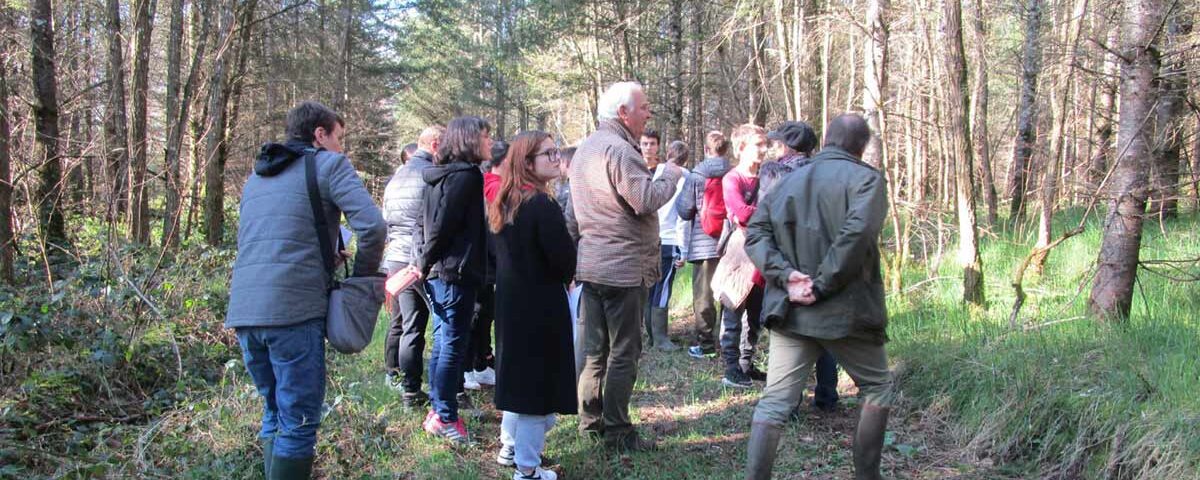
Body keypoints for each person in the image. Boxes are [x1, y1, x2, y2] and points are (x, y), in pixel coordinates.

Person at [227, 101, 386, 479]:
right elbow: (374, 228)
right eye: (339, 138)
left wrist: (324, 254)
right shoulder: (328, 164)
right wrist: (360, 280)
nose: (341, 148)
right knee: (298, 421)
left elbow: (269, 239)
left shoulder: (258, 176)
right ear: (320, 134)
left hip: (245, 310)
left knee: (274, 413)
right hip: (293, 311)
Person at [742, 114, 894, 480]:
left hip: (792, 311)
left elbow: (755, 234)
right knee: (878, 389)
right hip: (846, 315)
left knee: (775, 403)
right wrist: (819, 284)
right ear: (861, 147)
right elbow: (856, 237)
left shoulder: (787, 180)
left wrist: (786, 276)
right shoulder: (868, 181)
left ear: (826, 140)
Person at [571, 82, 681, 451]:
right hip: (622, 270)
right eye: (644, 107)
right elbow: (645, 199)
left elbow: (573, 215)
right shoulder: (620, 150)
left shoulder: (585, 149)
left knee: (594, 351)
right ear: (623, 113)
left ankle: (589, 423)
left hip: (591, 267)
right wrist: (669, 175)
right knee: (623, 352)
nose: (648, 113)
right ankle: (617, 431)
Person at [488, 131, 578, 480]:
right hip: (538, 304)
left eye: (557, 153)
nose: (557, 159)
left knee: (518, 377)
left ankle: (510, 447)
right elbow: (563, 260)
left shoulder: (506, 199)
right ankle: (527, 470)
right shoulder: (541, 203)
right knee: (535, 389)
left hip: (512, 301)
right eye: (549, 154)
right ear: (527, 163)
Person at [413, 116, 493, 443]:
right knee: (451, 347)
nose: (490, 142)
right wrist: (424, 261)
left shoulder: (438, 175)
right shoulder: (467, 177)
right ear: (470, 140)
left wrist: (423, 262)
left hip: (438, 272)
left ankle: (437, 411)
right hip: (453, 273)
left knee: (444, 342)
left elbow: (424, 224)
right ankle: (445, 417)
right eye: (486, 137)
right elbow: (441, 226)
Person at [765, 122, 842, 413]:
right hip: (824, 258)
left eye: (777, 143)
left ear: (787, 146)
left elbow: (766, 215)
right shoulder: (829, 173)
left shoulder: (773, 173)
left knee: (788, 328)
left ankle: (789, 401)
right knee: (823, 327)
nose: (773, 148)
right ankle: (826, 396)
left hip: (788, 259)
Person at [382, 126, 444, 408]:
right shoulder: (430, 174)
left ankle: (410, 391)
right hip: (420, 260)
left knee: (410, 325)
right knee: (444, 326)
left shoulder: (398, 175)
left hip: (396, 258)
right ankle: (448, 393)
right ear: (435, 144)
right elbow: (435, 220)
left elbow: (386, 219)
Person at [714, 124, 769, 389]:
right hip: (739, 252)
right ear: (742, 147)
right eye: (757, 144)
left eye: (764, 143)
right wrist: (769, 213)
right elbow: (741, 212)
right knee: (733, 308)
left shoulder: (768, 177)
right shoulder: (732, 179)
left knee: (756, 313)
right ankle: (732, 366)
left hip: (763, 253)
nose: (763, 149)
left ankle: (747, 362)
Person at [676, 131, 732, 359]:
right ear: (725, 150)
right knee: (730, 293)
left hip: (703, 244)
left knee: (704, 296)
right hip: (730, 242)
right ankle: (729, 342)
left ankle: (706, 345)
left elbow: (684, 210)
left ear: (707, 150)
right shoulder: (734, 173)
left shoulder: (696, 175)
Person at [463, 140, 511, 391]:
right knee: (474, 314)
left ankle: (481, 363)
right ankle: (466, 367)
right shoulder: (486, 185)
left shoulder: (504, 186)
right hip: (482, 260)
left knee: (486, 316)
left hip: (495, 261)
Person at [645, 140, 690, 351]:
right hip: (670, 240)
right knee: (662, 289)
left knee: (650, 286)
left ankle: (651, 334)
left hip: (650, 238)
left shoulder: (655, 172)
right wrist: (684, 249)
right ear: (685, 159)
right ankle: (660, 338)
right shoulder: (685, 177)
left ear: (667, 153)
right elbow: (683, 216)